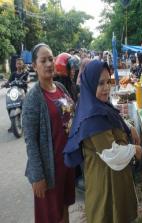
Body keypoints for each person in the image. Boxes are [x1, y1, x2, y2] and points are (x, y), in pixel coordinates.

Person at [63, 60, 142, 223]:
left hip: (111, 178)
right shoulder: (93, 117)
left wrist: (129, 127)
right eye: (100, 83)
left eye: (108, 81)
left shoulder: (97, 105)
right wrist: (135, 149)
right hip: (106, 183)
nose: (107, 87)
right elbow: (112, 154)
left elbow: (112, 119)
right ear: (91, 84)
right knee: (109, 216)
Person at [22, 43, 75, 223]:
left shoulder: (60, 87)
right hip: (49, 169)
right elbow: (30, 141)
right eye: (43, 60)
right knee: (51, 217)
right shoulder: (33, 98)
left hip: (66, 164)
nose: (48, 64)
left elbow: (72, 114)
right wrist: (37, 176)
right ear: (35, 66)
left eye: (51, 59)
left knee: (65, 209)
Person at [1, 57, 29, 132]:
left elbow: (28, 79)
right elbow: (9, 81)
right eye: (17, 63)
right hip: (15, 92)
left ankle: (28, 123)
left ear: (23, 64)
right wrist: (4, 84)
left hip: (23, 91)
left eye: (20, 63)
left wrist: (27, 81)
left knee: (27, 106)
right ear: (15, 65)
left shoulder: (25, 73)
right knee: (9, 106)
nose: (18, 65)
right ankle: (13, 123)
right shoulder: (13, 74)